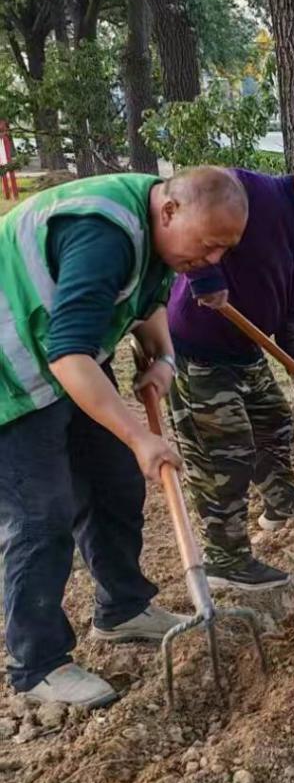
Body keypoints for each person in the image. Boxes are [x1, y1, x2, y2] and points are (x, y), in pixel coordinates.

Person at [0, 167, 249, 710]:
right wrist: (141, 437)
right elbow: (68, 354)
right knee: (41, 512)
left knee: (114, 482)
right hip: (12, 373)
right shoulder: (104, 235)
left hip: (65, 357)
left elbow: (148, 300)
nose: (212, 263)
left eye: (223, 251)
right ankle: (36, 664)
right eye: (208, 247)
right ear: (170, 212)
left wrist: (162, 356)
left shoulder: (159, 224)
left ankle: (122, 609)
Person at [166, 153, 294, 590]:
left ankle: (280, 502)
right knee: (224, 450)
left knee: (273, 420)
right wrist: (204, 278)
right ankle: (225, 559)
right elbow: (188, 208)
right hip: (199, 349)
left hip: (245, 351)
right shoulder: (249, 190)